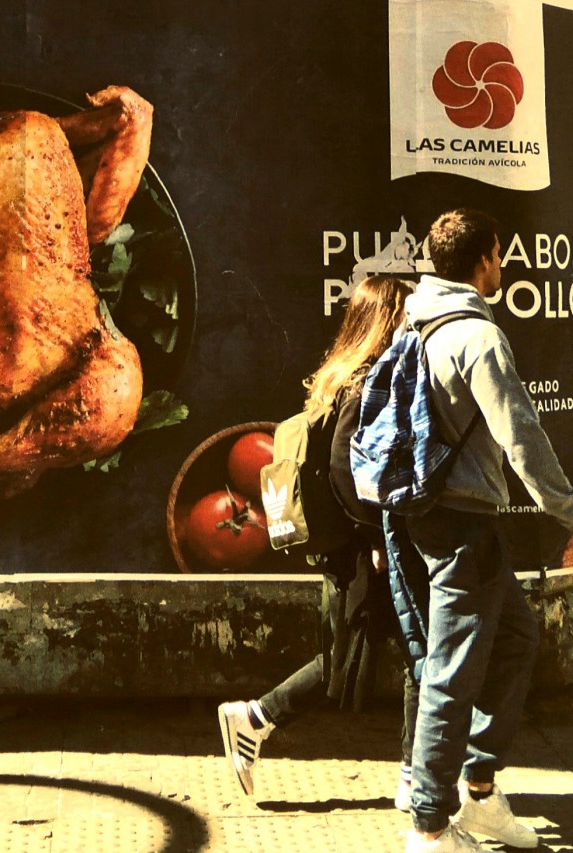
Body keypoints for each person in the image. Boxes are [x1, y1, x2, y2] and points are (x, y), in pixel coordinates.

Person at [394, 209, 573, 853]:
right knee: (451, 669)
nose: (502, 266)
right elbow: (523, 440)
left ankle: (481, 792)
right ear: (484, 259)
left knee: (516, 636)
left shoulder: (415, 321)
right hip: (461, 518)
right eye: (498, 256)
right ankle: (431, 827)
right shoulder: (476, 338)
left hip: (426, 512)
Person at [217, 274, 421, 803]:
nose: (414, 324)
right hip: (361, 546)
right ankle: (417, 775)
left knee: (349, 657)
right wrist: (375, 534)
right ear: (386, 318)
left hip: (343, 545)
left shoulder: (339, 376)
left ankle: (254, 718)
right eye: (406, 313)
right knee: (418, 654)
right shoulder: (367, 380)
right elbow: (343, 469)